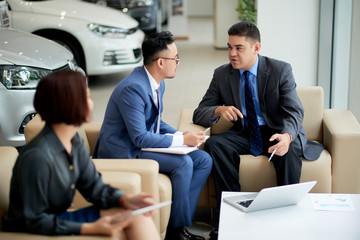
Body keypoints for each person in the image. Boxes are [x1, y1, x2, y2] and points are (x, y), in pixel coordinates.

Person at [192, 22, 324, 239]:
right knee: (216, 144)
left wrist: (288, 135)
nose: (232, 54)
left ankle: (286, 219)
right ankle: (231, 217)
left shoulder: (280, 69)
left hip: (278, 131)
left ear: (256, 48)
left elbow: (294, 110)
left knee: (288, 148)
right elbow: (199, 112)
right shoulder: (222, 74)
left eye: (239, 48)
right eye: (229, 47)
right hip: (246, 132)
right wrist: (218, 109)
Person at [2, 70, 160, 240]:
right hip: (38, 227)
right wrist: (89, 228)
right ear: (69, 103)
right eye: (87, 97)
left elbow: (93, 186)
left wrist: (124, 199)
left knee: (136, 214)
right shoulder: (36, 157)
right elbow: (34, 220)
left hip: (57, 218)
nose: (91, 104)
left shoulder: (73, 141)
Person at [93, 31, 213, 240]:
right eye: (175, 58)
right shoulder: (133, 88)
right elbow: (139, 137)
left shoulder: (158, 82)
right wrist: (182, 141)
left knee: (203, 159)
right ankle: (177, 232)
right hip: (125, 150)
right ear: (160, 62)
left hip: (141, 144)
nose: (178, 62)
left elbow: (155, 120)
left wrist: (178, 133)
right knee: (183, 163)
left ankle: (181, 219)